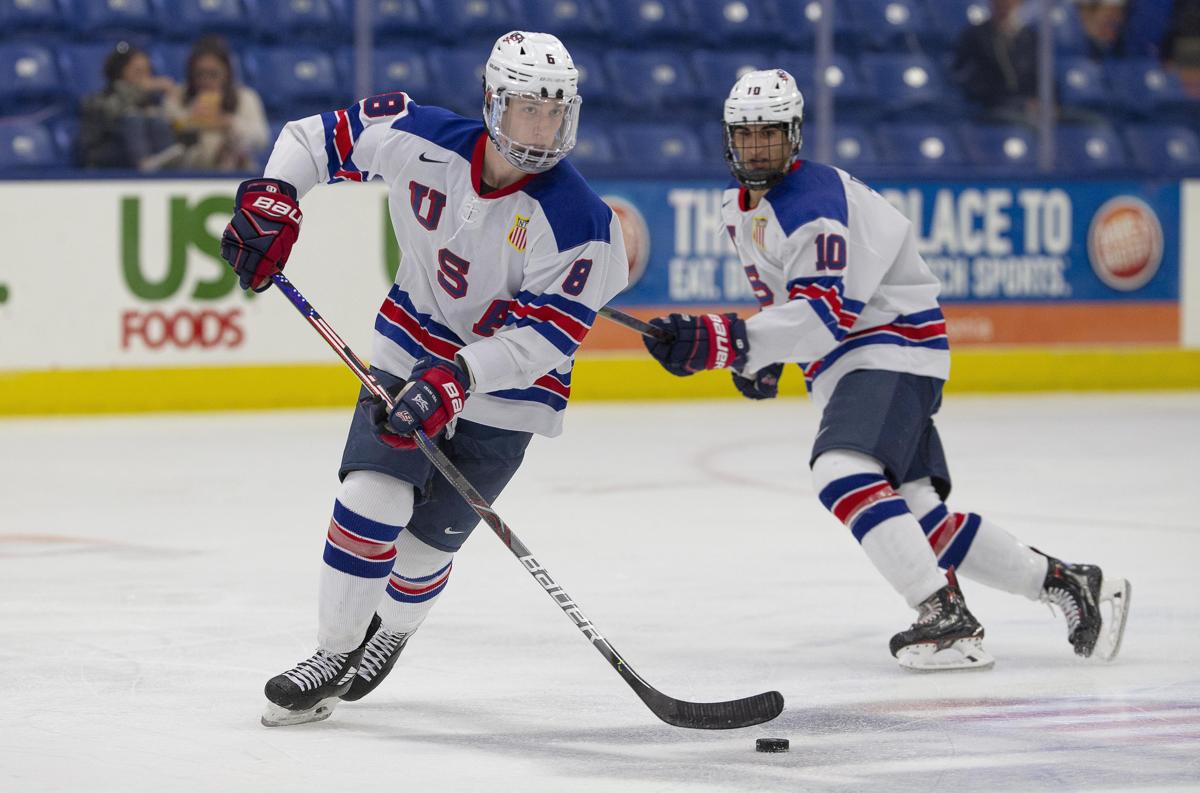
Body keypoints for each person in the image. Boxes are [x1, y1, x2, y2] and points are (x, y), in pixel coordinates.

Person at [639, 69, 1131, 671]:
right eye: (747, 136)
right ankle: (1068, 582)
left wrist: (727, 342)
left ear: (794, 135)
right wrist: (763, 356)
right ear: (729, 140)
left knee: (841, 471)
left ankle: (940, 610)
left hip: (888, 347)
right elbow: (789, 298)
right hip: (858, 358)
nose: (758, 147)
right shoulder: (740, 207)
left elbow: (822, 315)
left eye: (770, 134)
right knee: (921, 518)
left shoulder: (813, 202)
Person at [219, 31, 627, 726]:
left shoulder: (581, 220)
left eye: (555, 112)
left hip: (507, 396)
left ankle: (395, 630)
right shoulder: (418, 134)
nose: (543, 127)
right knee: (370, 494)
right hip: (410, 350)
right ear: (493, 102)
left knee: (423, 547)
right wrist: (273, 200)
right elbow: (311, 138)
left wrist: (460, 379)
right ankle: (331, 652)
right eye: (529, 108)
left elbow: (545, 339)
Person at [164, 36, 269, 171]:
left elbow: (261, 139)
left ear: (226, 74)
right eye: (200, 74)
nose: (206, 81)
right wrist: (192, 119)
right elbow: (167, 134)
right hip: (189, 172)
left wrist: (229, 123)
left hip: (236, 172)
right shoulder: (177, 96)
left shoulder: (245, 97)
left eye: (213, 74)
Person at [78, 42, 181, 170]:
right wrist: (138, 92)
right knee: (133, 118)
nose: (145, 77)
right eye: (138, 71)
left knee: (156, 118)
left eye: (148, 71)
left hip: (146, 152)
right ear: (120, 71)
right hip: (106, 152)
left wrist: (171, 99)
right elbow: (112, 114)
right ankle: (144, 163)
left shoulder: (151, 99)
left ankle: (170, 167)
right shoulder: (102, 98)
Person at [950, 0, 1041, 123]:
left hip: (1030, 105)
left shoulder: (1030, 38)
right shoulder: (975, 36)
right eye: (1000, 3)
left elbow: (1042, 75)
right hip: (993, 107)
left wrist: (1045, 101)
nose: (1004, 6)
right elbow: (966, 77)